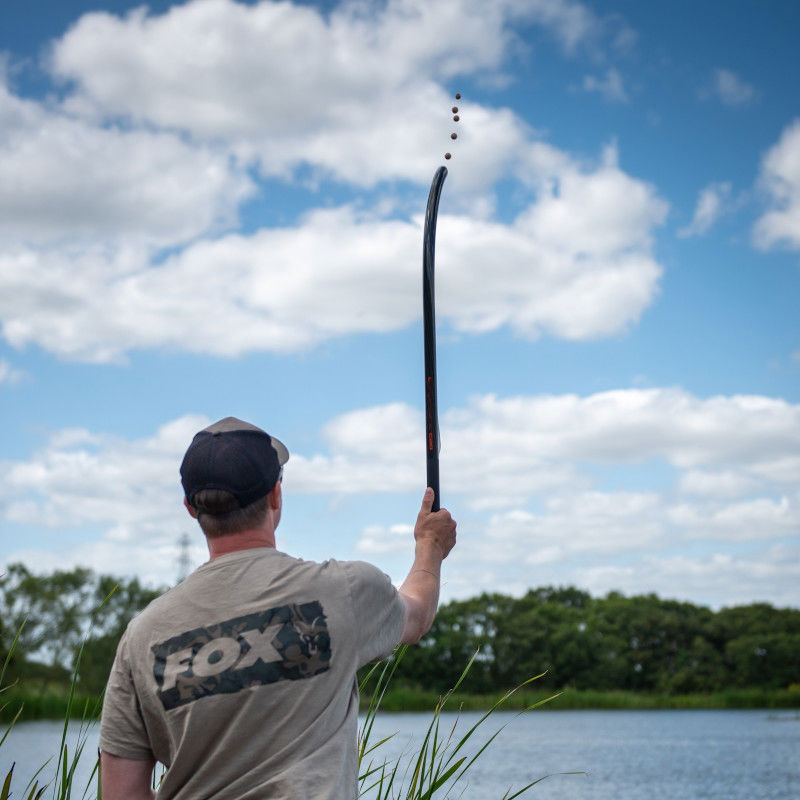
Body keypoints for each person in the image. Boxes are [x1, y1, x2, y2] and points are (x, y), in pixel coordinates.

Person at [99, 416, 457, 800]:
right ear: (274, 494)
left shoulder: (142, 636)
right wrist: (430, 548)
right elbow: (417, 615)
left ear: (190, 507)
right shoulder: (345, 590)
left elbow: (122, 792)